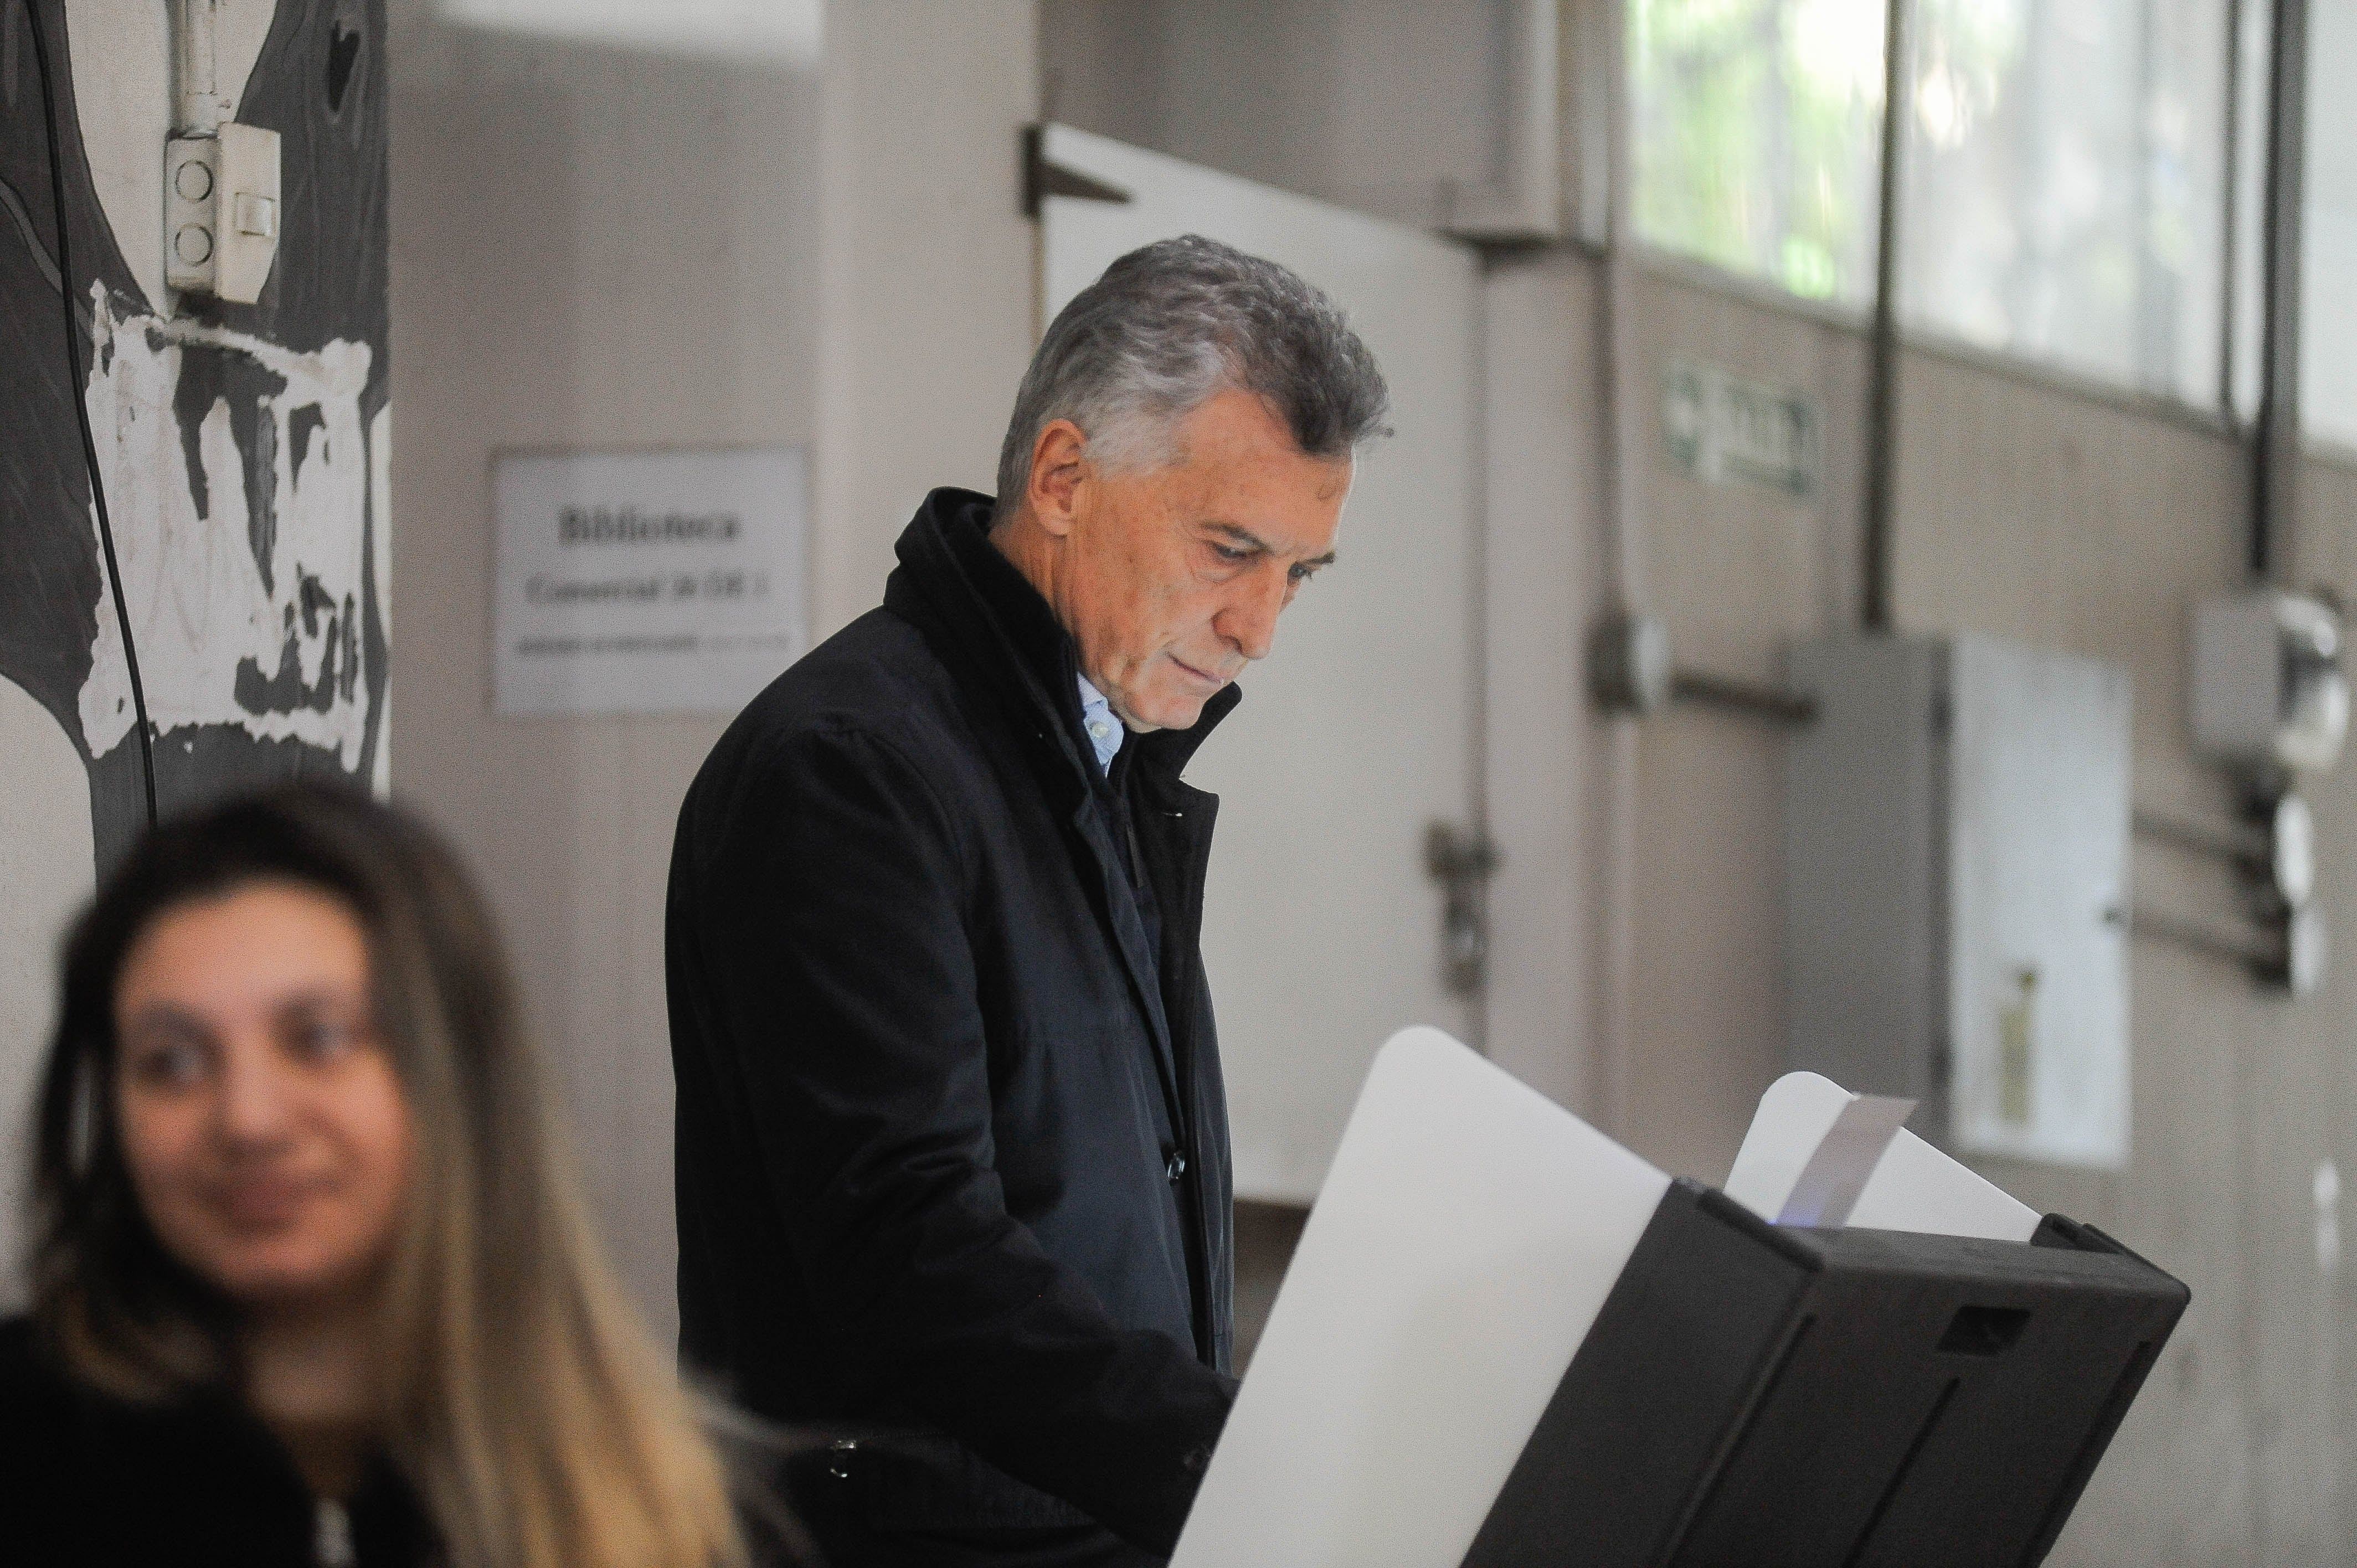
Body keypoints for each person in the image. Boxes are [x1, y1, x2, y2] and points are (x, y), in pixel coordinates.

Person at [667, 234, 1390, 1566]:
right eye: (1230, 549)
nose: (1258, 628)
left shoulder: (1101, 756)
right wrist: (1234, 1468)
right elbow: (912, 1254)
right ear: (1063, 479)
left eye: (1297, 573)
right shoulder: (854, 773)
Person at [1, 783, 768, 1568]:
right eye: (173, 1062)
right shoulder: (24, 1457)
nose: (247, 1120)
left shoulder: (669, 1506)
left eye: (319, 1040)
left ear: (456, 1076)